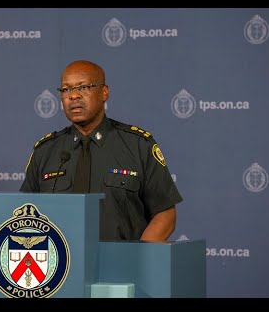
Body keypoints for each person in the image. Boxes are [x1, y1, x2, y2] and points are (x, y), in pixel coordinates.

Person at [20, 60, 183, 241]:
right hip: (61, 265)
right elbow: (25, 216)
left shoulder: (137, 145)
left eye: (83, 87)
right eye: (66, 89)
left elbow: (165, 215)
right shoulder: (45, 151)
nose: (73, 96)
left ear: (104, 92)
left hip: (121, 265)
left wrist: (138, 260)